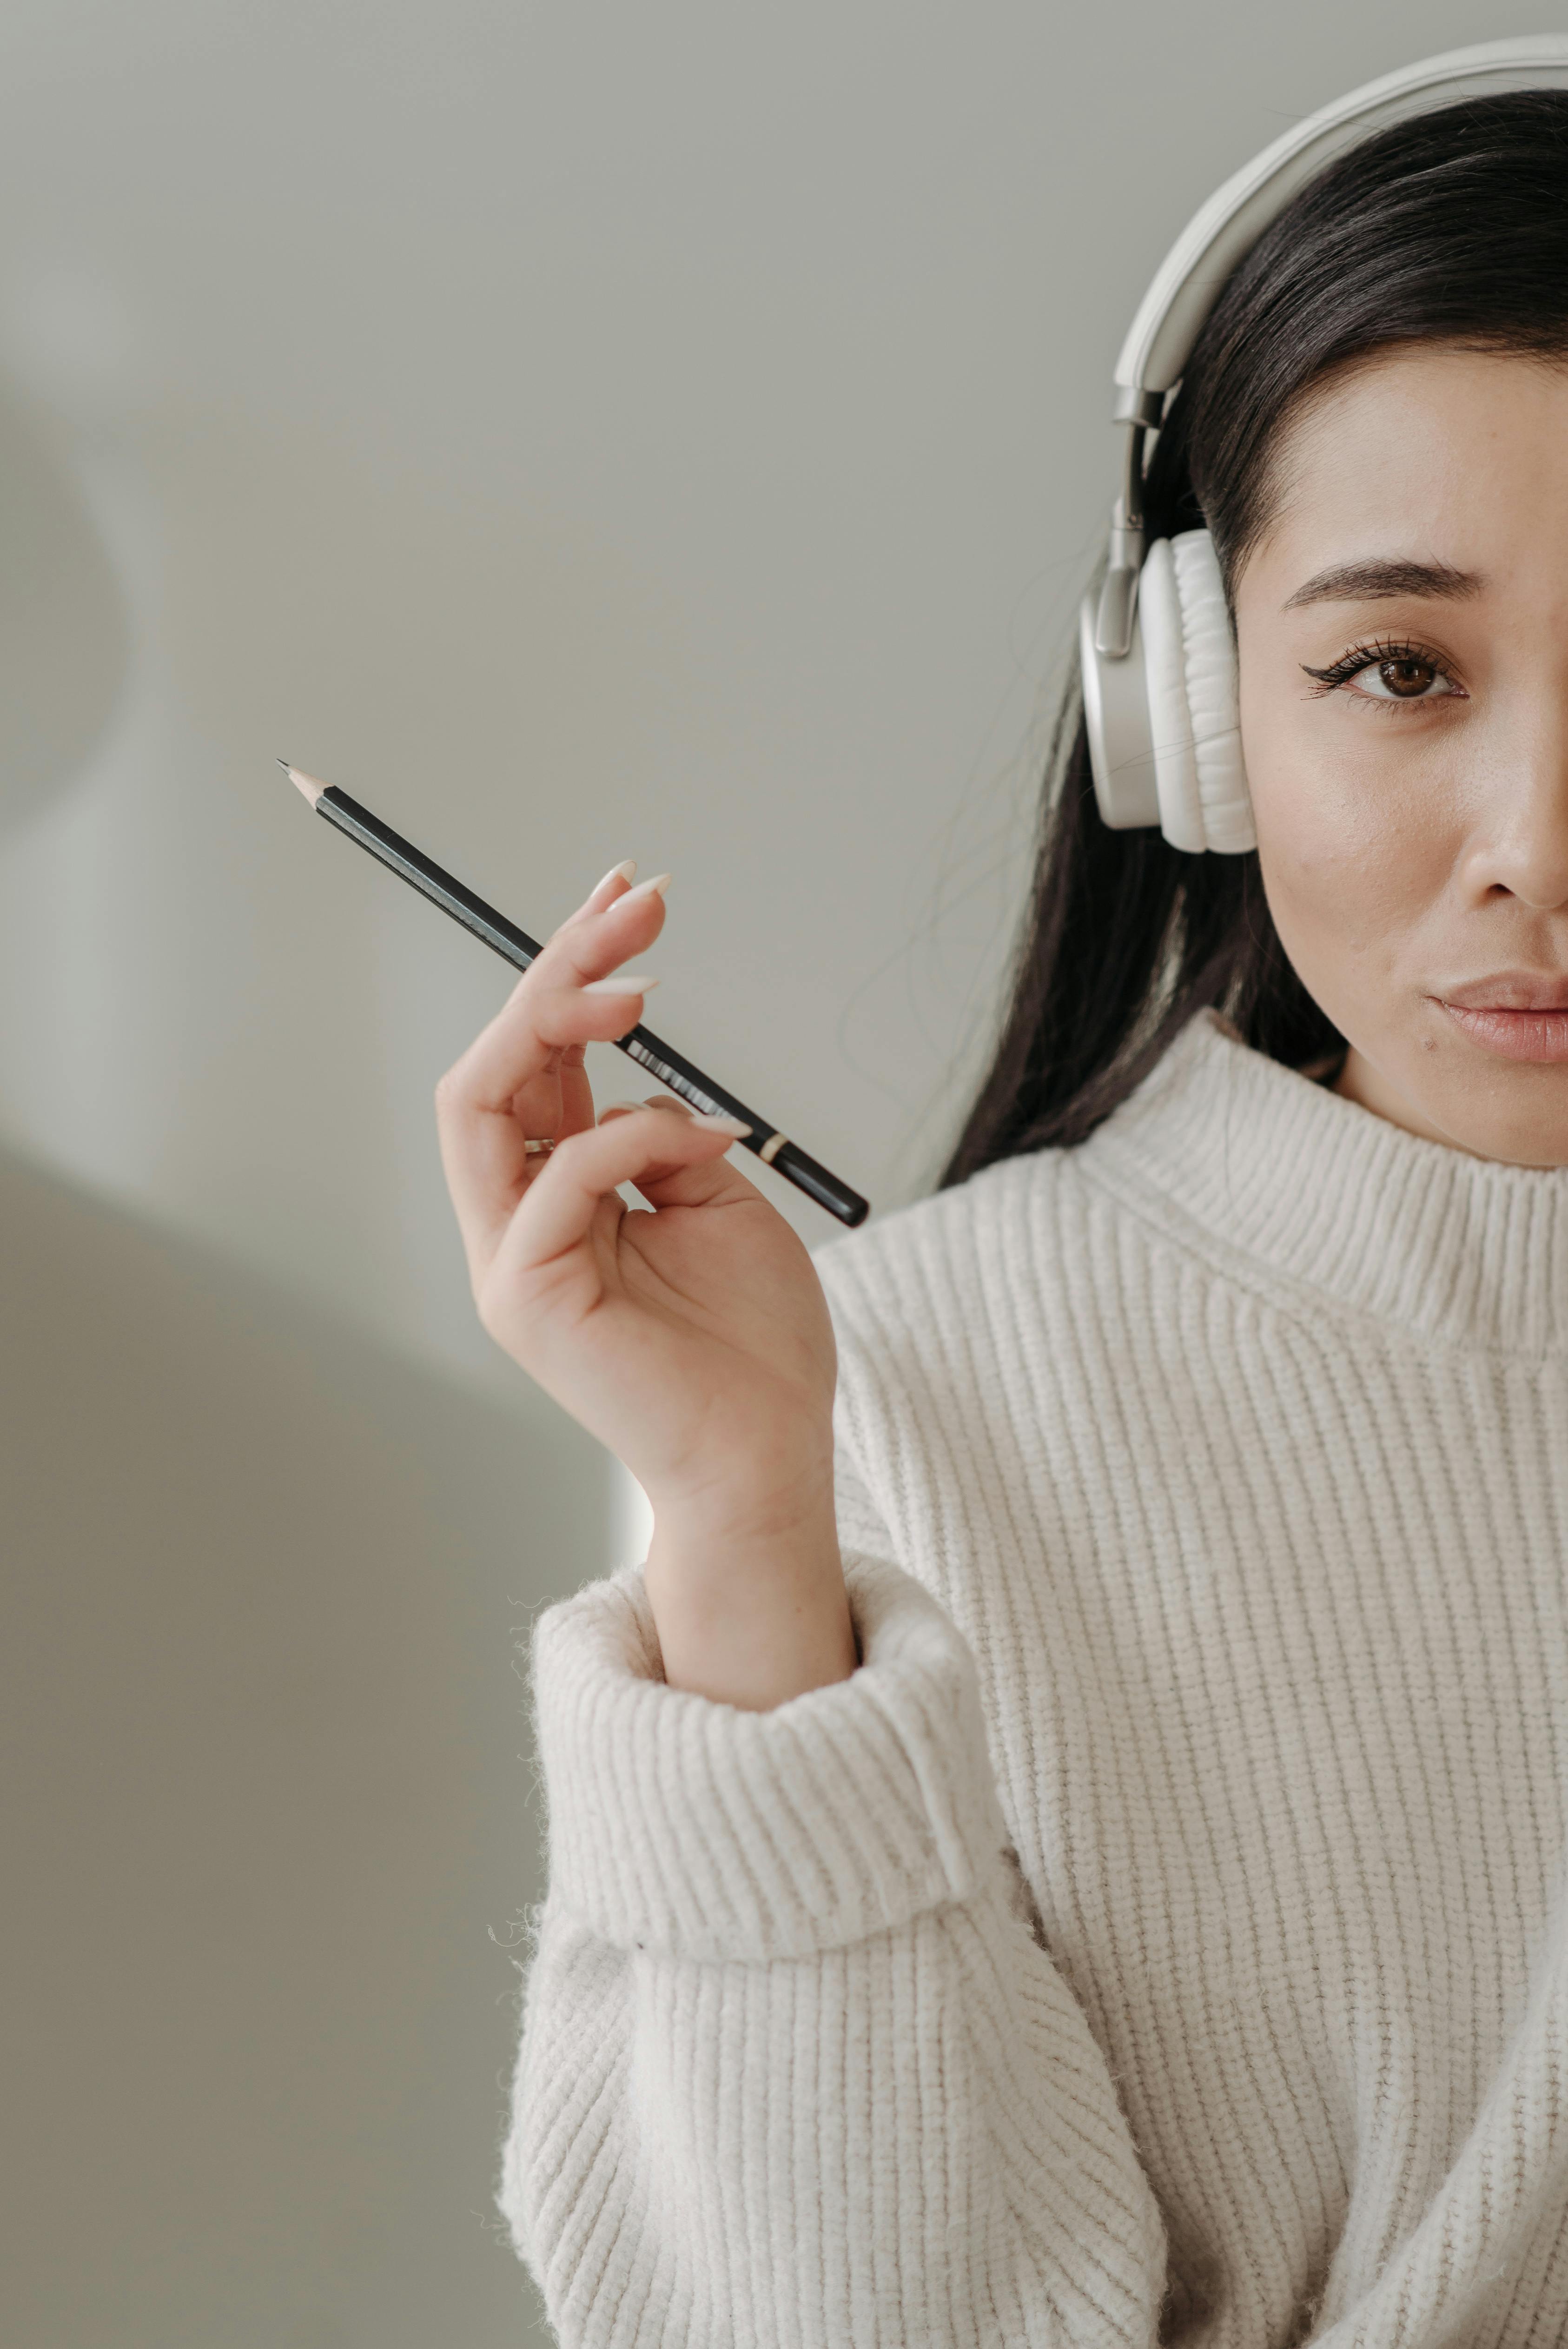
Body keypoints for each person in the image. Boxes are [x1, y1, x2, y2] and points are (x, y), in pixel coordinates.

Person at [434, 54, 1568, 2349]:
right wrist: (751, 1520)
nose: (1536, 837)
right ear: (1188, 710)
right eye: (1395, 669)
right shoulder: (906, 1396)